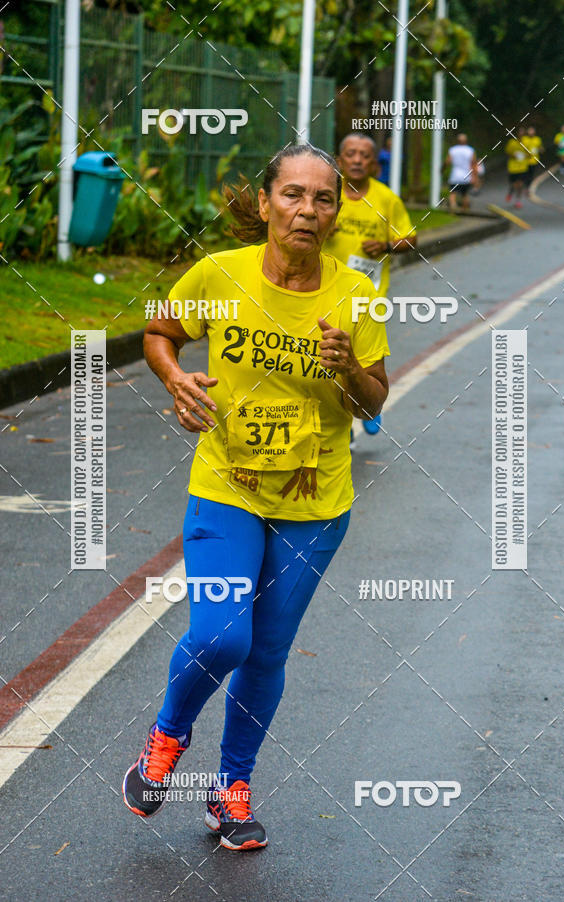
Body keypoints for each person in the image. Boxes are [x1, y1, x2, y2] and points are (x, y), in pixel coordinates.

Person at [122, 144, 390, 850]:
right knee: (221, 637)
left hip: (315, 504)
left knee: (267, 654)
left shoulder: (357, 295)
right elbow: (158, 333)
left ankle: (230, 793)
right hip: (227, 487)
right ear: (268, 201)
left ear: (338, 212)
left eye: (324, 199)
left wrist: (347, 370)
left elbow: (373, 402)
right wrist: (175, 379)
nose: (308, 210)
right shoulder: (219, 274)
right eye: (294, 195)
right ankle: (166, 737)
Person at [323, 132, 415, 436]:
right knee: (328, 354)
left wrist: (387, 245)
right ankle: (344, 418)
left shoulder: (385, 198)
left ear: (375, 164)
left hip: (368, 295)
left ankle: (370, 402)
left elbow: (411, 238)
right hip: (325, 289)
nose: (358, 160)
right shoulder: (327, 195)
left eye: (365, 155)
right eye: (351, 154)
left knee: (363, 356)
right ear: (339, 161)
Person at [445, 133, 478, 211]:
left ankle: (453, 208)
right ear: (466, 141)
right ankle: (465, 211)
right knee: (465, 195)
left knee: (453, 193)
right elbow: (473, 164)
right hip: (466, 176)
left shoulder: (453, 150)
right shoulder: (470, 150)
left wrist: (442, 170)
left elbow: (447, 162)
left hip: (455, 176)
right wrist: (475, 177)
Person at [504, 126, 529, 208]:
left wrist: (525, 155)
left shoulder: (527, 142)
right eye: (519, 132)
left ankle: (518, 201)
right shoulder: (511, 143)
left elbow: (530, 154)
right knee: (514, 184)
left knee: (520, 184)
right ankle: (510, 193)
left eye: (522, 132)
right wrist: (513, 155)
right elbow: (507, 153)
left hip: (523, 167)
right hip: (513, 167)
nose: (521, 134)